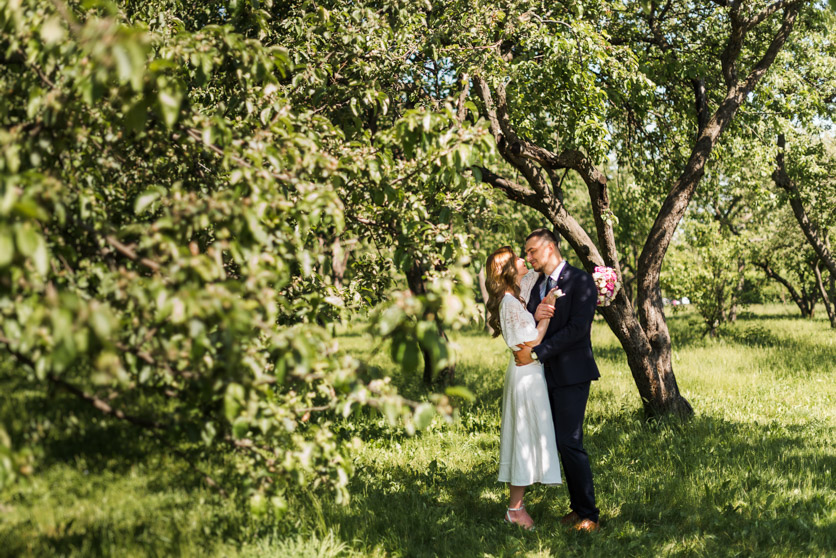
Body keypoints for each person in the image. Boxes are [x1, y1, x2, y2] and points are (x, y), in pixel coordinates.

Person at [514, 228, 601, 532]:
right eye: (526, 253)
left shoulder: (580, 280)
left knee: (570, 442)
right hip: (541, 376)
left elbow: (578, 329)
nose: (528, 257)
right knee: (558, 444)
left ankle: (589, 514)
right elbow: (528, 321)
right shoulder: (535, 284)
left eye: (532, 251)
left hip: (572, 373)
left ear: (549, 248)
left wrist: (538, 352)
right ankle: (577, 509)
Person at [485, 246, 562, 530]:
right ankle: (514, 510)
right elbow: (530, 345)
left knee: (528, 436)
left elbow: (537, 272)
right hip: (524, 375)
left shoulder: (517, 294)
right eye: (518, 258)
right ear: (506, 270)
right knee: (522, 437)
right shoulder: (508, 303)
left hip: (530, 372)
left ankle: (517, 507)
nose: (524, 259)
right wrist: (544, 318)